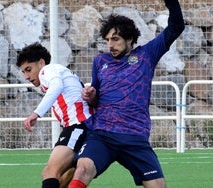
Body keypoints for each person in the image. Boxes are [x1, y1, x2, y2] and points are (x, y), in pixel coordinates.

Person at [69, 0, 185, 188]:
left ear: (129, 39)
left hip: (135, 137)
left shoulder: (147, 54)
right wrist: (91, 96)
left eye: (115, 39)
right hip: (103, 134)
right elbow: (97, 97)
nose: (110, 45)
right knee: (82, 169)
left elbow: (177, 26)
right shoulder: (100, 61)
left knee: (158, 186)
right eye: (107, 40)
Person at [16, 42, 93, 188]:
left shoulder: (47, 70)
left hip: (78, 125)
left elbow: (57, 86)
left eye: (28, 69)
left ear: (41, 62)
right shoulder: (60, 71)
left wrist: (36, 113)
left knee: (49, 172)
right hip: (85, 126)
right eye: (23, 72)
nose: (26, 76)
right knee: (64, 179)